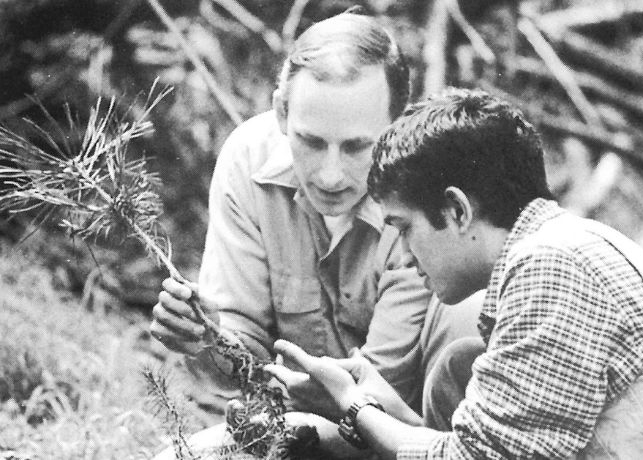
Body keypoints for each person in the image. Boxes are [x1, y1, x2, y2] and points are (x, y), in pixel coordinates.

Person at [267, 88, 643, 458]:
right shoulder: (560, 245)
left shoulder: (554, 265)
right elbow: (475, 447)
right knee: (460, 368)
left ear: (456, 209)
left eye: (405, 229)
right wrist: (379, 404)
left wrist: (354, 406)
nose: (405, 257)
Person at [149, 7, 481, 419]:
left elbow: (378, 387)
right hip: (294, 416)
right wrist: (206, 338)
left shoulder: (421, 197)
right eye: (311, 141)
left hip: (407, 426)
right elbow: (238, 366)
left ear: (397, 125)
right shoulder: (247, 161)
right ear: (282, 113)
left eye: (358, 147)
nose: (329, 175)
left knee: (471, 314)